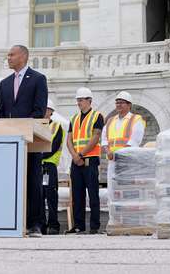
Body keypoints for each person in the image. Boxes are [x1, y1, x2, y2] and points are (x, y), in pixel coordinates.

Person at [0, 44, 48, 237]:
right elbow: (0, 112)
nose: (8, 57)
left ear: (23, 57)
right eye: (7, 54)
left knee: (33, 182)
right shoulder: (5, 83)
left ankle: (35, 224)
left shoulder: (38, 79)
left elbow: (38, 110)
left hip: (30, 141)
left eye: (11, 54)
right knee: (12, 182)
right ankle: (12, 220)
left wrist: (23, 128)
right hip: (9, 143)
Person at [67, 87, 104, 234]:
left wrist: (80, 154)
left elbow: (95, 137)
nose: (79, 103)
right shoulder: (74, 119)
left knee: (93, 193)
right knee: (77, 194)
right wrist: (75, 156)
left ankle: (94, 227)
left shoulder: (97, 116)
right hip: (76, 160)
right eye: (77, 100)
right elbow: (68, 140)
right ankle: (78, 226)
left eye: (81, 100)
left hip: (90, 159)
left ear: (89, 100)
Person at [40, 99, 65, 235]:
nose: (44, 112)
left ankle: (54, 225)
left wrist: (40, 156)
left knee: (51, 196)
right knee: (39, 197)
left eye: (47, 109)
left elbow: (54, 146)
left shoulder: (56, 126)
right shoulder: (37, 125)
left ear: (51, 112)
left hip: (49, 166)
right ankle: (41, 225)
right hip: (38, 167)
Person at [103, 90, 146, 162]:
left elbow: (134, 141)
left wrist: (119, 154)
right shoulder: (110, 121)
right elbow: (104, 140)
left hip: (128, 159)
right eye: (117, 103)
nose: (118, 105)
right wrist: (108, 152)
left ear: (129, 105)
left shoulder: (136, 119)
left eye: (121, 103)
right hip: (112, 160)